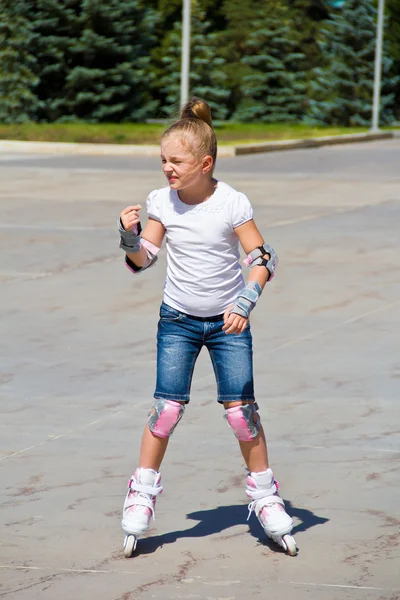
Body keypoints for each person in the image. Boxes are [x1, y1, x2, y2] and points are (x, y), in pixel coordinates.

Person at [117, 97, 297, 557]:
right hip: (177, 319)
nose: (167, 169)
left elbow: (264, 258)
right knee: (167, 409)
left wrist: (246, 299)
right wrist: (128, 236)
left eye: (176, 161)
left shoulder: (231, 202)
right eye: (163, 160)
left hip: (226, 325)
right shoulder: (161, 202)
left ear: (205, 163)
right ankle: (141, 491)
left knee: (242, 413)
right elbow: (143, 262)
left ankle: (265, 495)